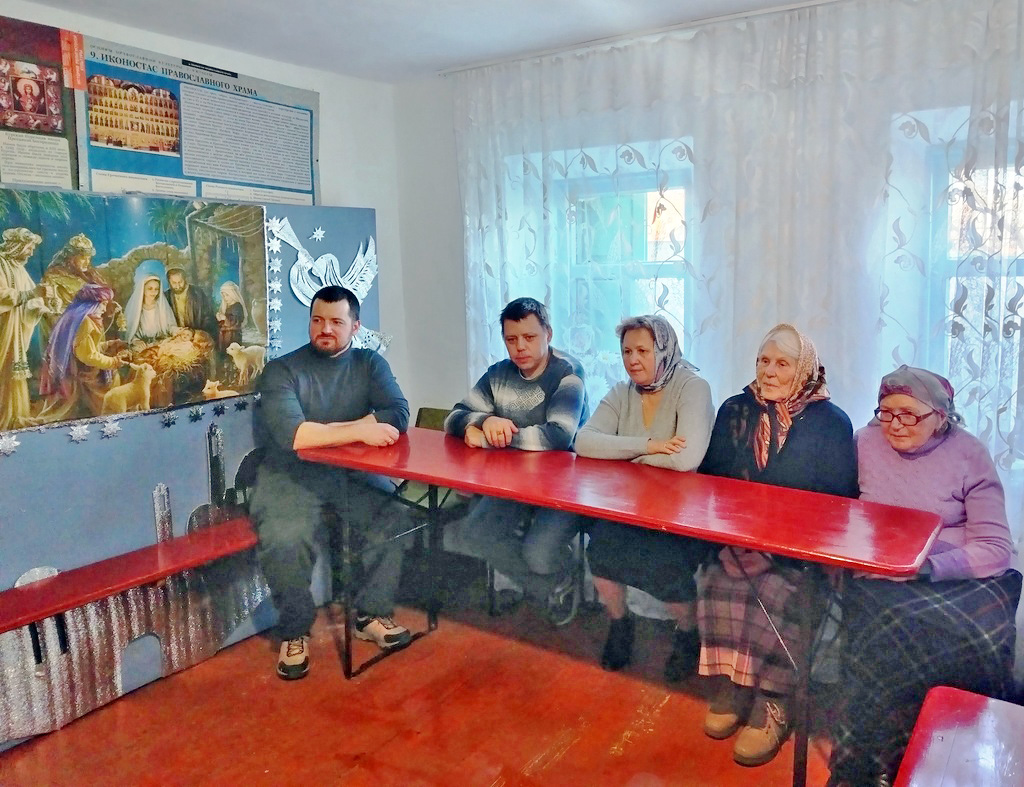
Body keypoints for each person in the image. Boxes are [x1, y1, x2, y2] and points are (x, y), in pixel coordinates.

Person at [827, 366, 1021, 785]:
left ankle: (955, 757)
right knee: (880, 636)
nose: (895, 424)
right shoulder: (863, 443)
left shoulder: (969, 453)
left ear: (941, 416)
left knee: (981, 641)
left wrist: (928, 567)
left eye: (909, 415)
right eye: (886, 413)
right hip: (884, 570)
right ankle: (869, 759)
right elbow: (837, 513)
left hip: (957, 573)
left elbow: (995, 546)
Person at [697, 323, 857, 767]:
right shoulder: (736, 409)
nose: (768, 371)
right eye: (763, 361)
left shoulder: (832, 423)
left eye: (782, 363)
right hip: (737, 543)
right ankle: (735, 683)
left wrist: (771, 553)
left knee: (777, 594)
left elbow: (835, 505)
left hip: (797, 555)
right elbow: (713, 485)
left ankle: (775, 700)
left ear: (804, 369)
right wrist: (731, 544)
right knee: (717, 581)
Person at [252, 285, 414, 680]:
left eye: (336, 322)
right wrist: (361, 428)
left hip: (351, 473)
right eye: (317, 320)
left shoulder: (369, 363)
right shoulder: (281, 370)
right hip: (290, 474)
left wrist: (329, 431)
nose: (325, 329)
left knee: (393, 517)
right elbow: (295, 436)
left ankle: (371, 615)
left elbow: (398, 413)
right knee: (285, 538)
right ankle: (294, 632)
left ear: (355, 326)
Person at [574, 315, 714, 680]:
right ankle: (620, 622)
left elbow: (685, 459)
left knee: (664, 564)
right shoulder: (622, 392)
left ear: (663, 350)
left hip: (681, 513)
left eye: (642, 350)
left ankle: (688, 633)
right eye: (626, 351)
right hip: (629, 507)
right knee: (601, 550)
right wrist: (648, 446)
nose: (633, 360)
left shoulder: (693, 387)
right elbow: (584, 442)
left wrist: (620, 452)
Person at [444, 297, 589, 625]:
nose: (520, 347)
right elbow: (454, 417)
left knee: (538, 554)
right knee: (474, 534)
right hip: (512, 484)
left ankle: (560, 572)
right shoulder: (499, 374)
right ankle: (551, 587)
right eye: (511, 339)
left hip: (564, 488)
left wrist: (494, 436)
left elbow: (559, 436)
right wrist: (483, 421)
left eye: (529, 337)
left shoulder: (569, 373)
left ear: (548, 334)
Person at [38, 283, 131, 419]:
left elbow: (86, 347)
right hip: (79, 373)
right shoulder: (85, 322)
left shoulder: (77, 317)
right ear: (91, 305)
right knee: (113, 378)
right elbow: (87, 355)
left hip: (76, 367)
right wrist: (114, 362)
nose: (104, 309)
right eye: (103, 304)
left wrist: (108, 344)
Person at [0, 228, 51, 430]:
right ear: (17, 246)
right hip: (4, 328)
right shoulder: (1, 264)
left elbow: (32, 298)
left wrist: (46, 307)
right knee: (4, 371)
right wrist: (31, 294)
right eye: (28, 248)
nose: (31, 253)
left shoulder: (18, 268)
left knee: (14, 372)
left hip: (16, 332)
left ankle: (16, 416)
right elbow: (3, 295)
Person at [123, 274, 178, 345]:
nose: (153, 292)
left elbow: (170, 326)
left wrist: (176, 331)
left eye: (156, 289)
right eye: (150, 288)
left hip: (161, 342)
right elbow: (130, 330)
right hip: (143, 345)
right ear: (143, 289)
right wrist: (135, 340)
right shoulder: (136, 308)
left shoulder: (161, 306)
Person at [164, 267, 217, 339]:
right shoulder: (166, 296)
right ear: (169, 282)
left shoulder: (197, 293)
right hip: (176, 337)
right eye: (174, 283)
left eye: (180, 282)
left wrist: (196, 333)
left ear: (185, 279)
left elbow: (208, 317)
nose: (178, 286)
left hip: (196, 336)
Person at [216, 281, 246, 351]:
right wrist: (220, 318)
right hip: (226, 334)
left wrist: (225, 318)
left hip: (234, 335)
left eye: (227, 295)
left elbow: (236, 321)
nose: (225, 298)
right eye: (223, 296)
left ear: (232, 294)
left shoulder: (237, 306)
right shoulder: (228, 307)